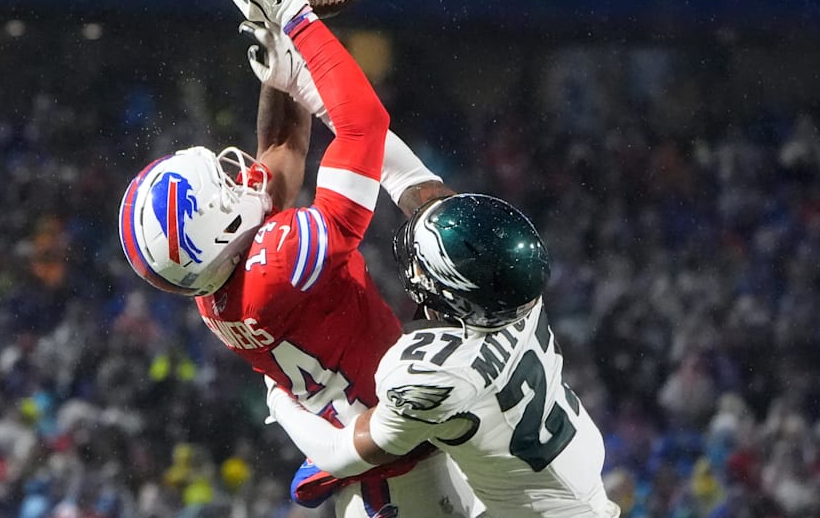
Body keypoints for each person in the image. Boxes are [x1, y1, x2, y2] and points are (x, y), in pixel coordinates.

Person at [119, 0, 481, 518]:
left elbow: (280, 148)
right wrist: (298, 18)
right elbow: (363, 127)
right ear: (212, 232)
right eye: (224, 184)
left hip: (372, 472)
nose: (239, 174)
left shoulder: (219, 286)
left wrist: (276, 58)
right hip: (414, 480)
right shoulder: (281, 265)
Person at [266, 193, 622, 517]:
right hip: (566, 488)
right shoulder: (515, 289)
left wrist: (279, 394)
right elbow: (425, 190)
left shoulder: (436, 371)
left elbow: (338, 453)